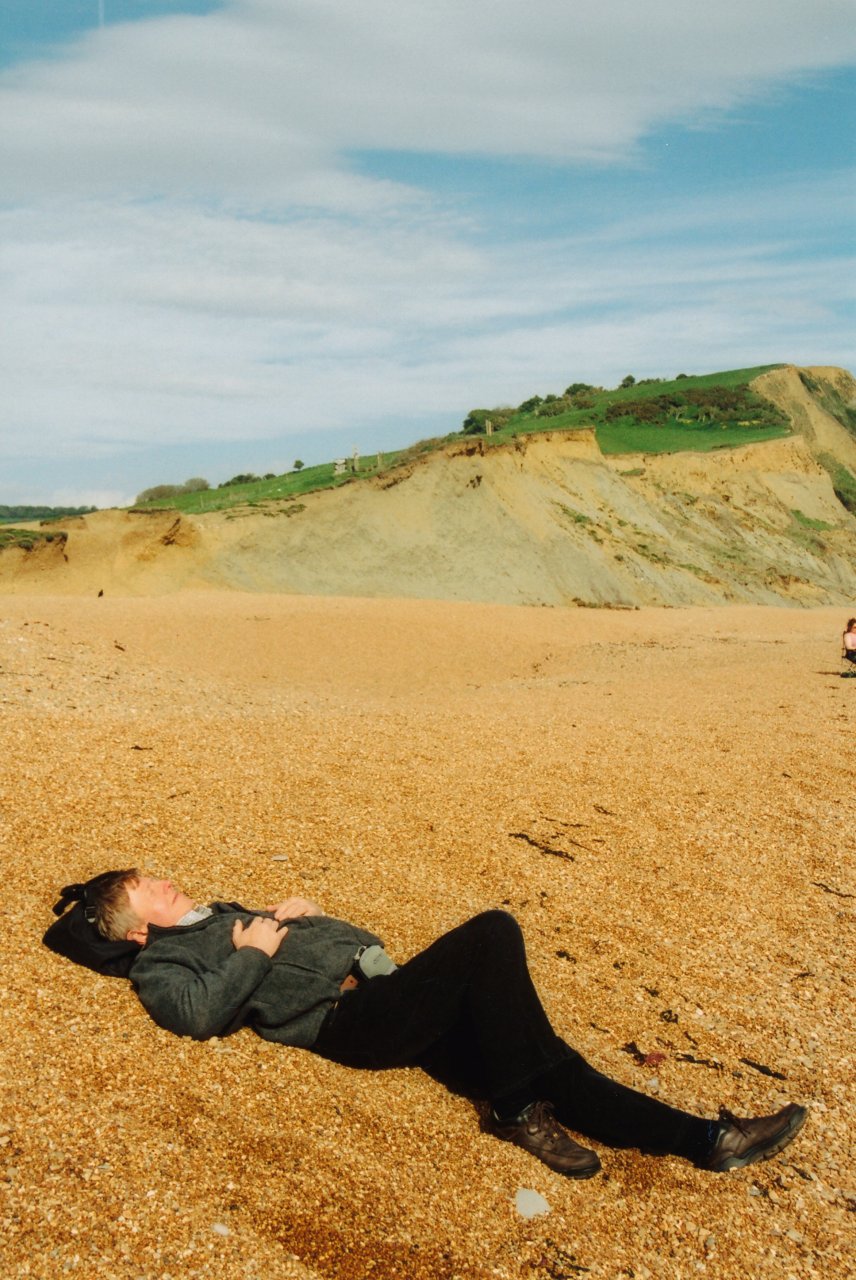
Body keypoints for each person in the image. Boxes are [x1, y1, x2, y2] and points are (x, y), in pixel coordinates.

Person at [83, 870, 807, 1180]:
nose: (164, 882)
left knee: (544, 1057)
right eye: (147, 888)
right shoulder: (160, 965)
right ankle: (517, 1109)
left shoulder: (223, 909)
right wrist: (251, 954)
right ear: (135, 925)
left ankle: (707, 1141)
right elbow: (197, 1017)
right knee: (492, 931)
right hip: (349, 1023)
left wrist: (286, 919)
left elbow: (322, 942)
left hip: (384, 992)